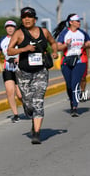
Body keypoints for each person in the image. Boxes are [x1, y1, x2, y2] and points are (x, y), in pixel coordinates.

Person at [7, 7, 58, 145]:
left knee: (38, 102)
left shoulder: (44, 32)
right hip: (23, 73)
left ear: (35, 19)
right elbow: (10, 50)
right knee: (28, 104)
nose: (27, 19)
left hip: (41, 72)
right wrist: (24, 49)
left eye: (29, 17)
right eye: (24, 17)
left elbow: (53, 43)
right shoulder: (19, 33)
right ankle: (31, 117)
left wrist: (54, 52)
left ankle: (36, 133)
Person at [53, 13, 90, 117]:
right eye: (77, 21)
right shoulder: (65, 33)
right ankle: (72, 101)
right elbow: (58, 47)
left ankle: (75, 107)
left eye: (79, 21)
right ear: (71, 22)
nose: (79, 22)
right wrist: (66, 44)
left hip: (80, 61)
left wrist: (87, 44)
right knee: (69, 85)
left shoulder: (82, 33)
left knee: (75, 83)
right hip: (67, 61)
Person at [0, 20, 22, 123]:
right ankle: (15, 114)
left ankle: (28, 108)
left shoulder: (20, 38)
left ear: (15, 28)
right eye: (8, 27)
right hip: (8, 67)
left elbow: (26, 50)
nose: (10, 28)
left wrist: (20, 58)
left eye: (12, 26)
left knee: (20, 95)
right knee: (10, 91)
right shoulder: (2, 40)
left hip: (19, 68)